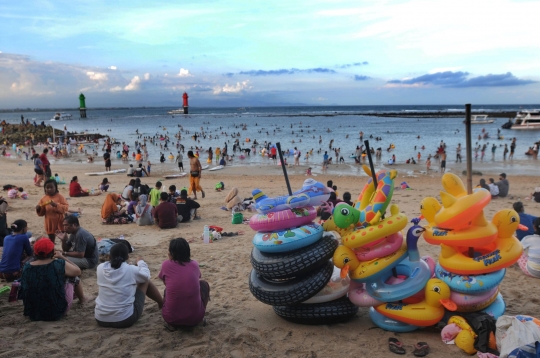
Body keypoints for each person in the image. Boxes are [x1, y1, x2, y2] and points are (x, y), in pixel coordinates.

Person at [95, 243, 163, 328]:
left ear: (109, 257)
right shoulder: (130, 269)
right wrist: (141, 262)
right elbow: (146, 276)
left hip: (100, 318)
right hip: (124, 319)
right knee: (145, 281)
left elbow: (117, 272)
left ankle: (161, 303)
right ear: (127, 257)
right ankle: (161, 303)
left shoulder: (100, 268)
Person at [20, 238, 88, 321]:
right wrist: (62, 257)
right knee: (74, 277)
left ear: (35, 252)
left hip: (32, 313)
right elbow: (78, 271)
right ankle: (82, 299)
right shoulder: (58, 264)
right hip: (56, 312)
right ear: (52, 251)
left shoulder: (27, 266)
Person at [159, 238, 210, 329]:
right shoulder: (194, 264)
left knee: (167, 290)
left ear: (171, 253)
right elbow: (197, 280)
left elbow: (166, 283)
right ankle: (200, 318)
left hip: (171, 319)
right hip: (195, 319)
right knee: (204, 285)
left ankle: (171, 315)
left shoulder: (165, 265)